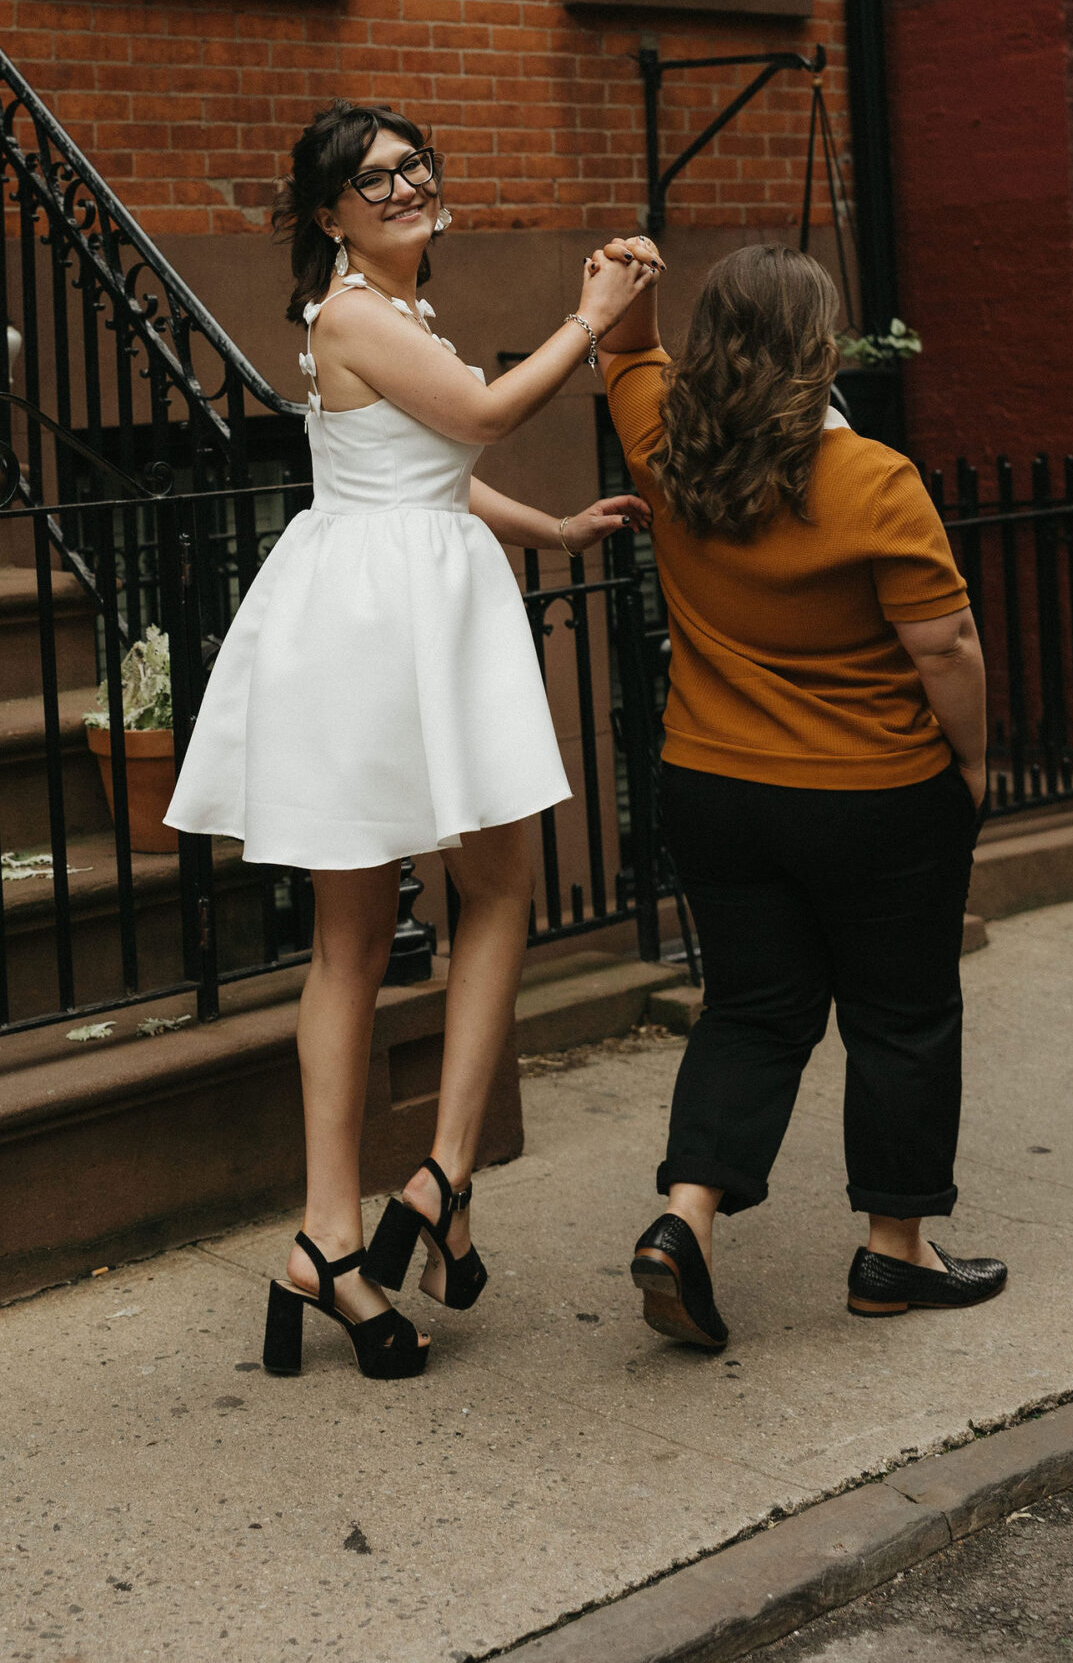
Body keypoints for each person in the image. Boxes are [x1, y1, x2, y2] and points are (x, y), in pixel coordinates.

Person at [166, 102, 656, 1380]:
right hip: (381, 625)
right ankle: (381, 1206)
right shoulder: (354, 315)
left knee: (453, 902)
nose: (401, 185)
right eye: (369, 178)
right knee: (387, 923)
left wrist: (545, 532)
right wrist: (593, 319)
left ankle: (390, 1206)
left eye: (412, 165)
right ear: (326, 214)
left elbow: (431, 461)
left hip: (404, 592)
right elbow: (485, 412)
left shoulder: (397, 316)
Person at [597, 242, 1006, 1349]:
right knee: (900, 1014)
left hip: (713, 786)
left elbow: (625, 347)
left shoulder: (659, 446)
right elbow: (948, 644)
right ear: (819, 350)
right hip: (873, 793)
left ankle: (684, 1223)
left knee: (754, 1008)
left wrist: (626, 275)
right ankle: (894, 1254)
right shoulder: (872, 479)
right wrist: (969, 763)